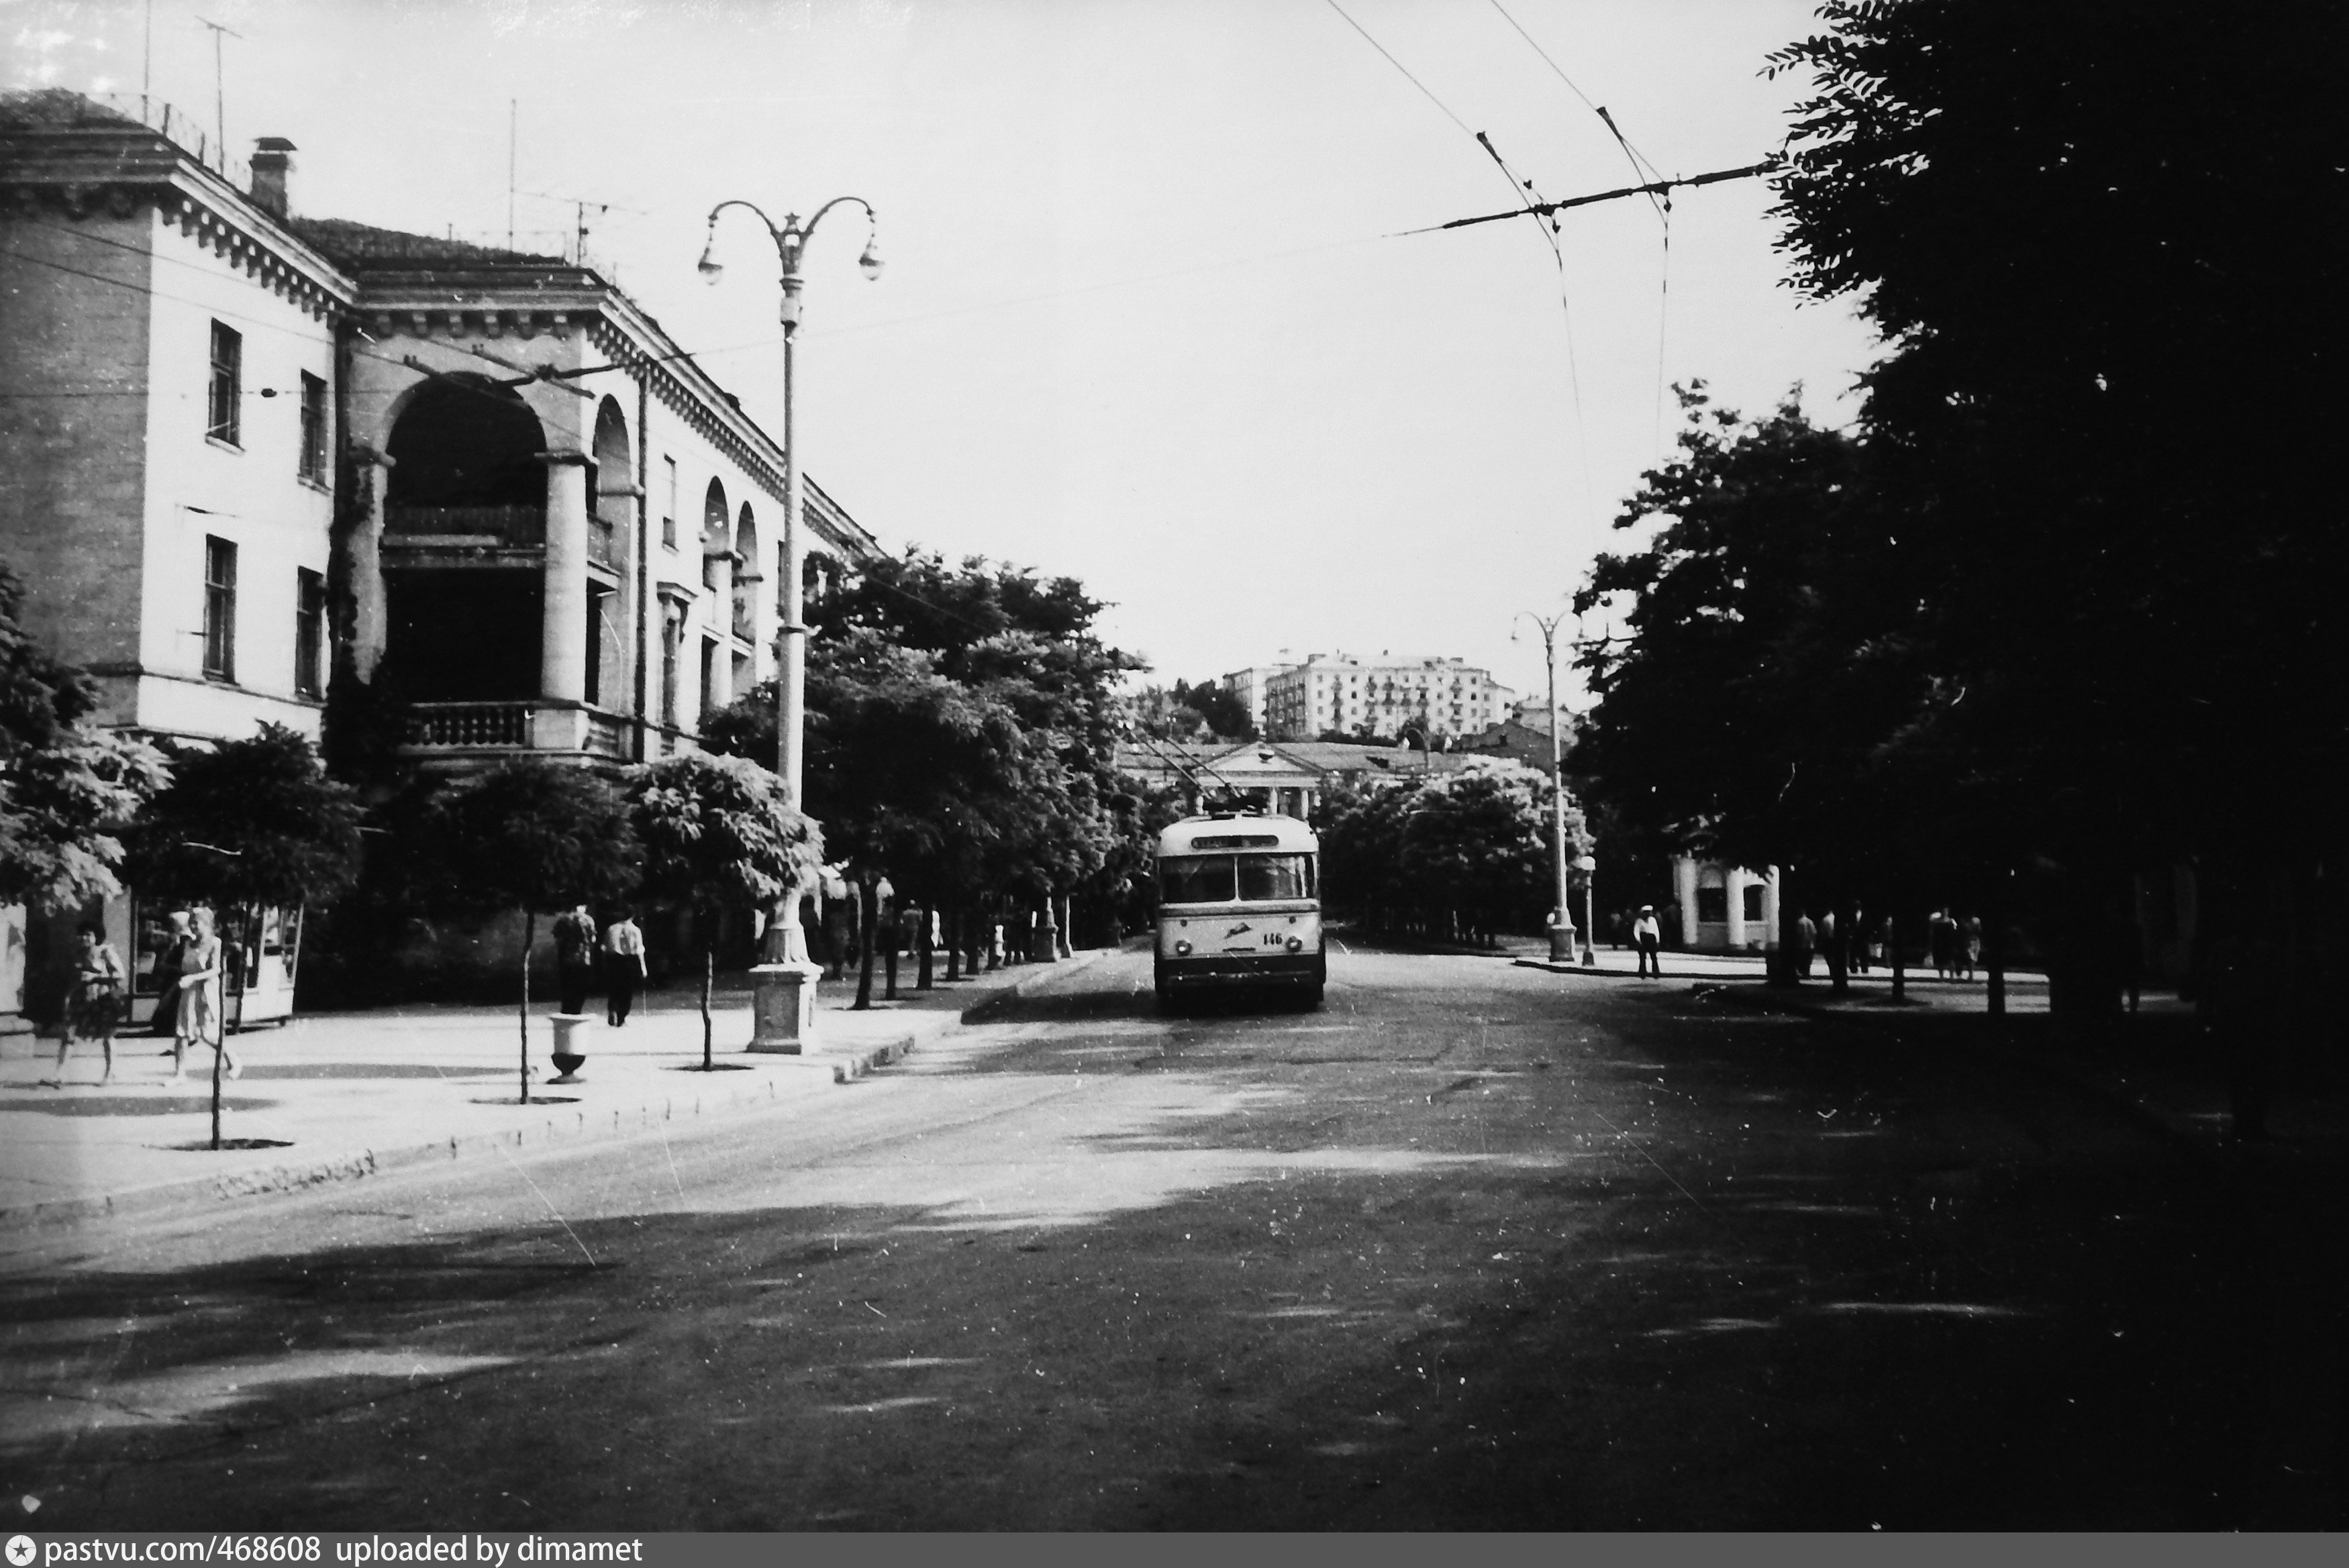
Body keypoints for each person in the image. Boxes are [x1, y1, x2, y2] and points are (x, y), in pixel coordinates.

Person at [170, 907, 234, 1082]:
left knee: (207, 1034)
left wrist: (194, 978)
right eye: (191, 922)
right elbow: (184, 967)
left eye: (196, 922)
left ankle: (232, 1060)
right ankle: (180, 1074)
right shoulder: (187, 944)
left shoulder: (215, 943)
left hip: (206, 992)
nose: (192, 925)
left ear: (207, 924)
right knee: (182, 1032)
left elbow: (216, 969)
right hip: (188, 992)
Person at [60, 921, 126, 1084]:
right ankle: (59, 1073)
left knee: (107, 1036)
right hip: (82, 998)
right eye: (82, 934)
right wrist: (68, 997)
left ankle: (110, 1073)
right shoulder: (79, 953)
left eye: (89, 934)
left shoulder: (105, 952)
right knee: (69, 1033)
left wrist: (95, 977)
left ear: (97, 936)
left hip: (103, 999)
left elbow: (120, 974)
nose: (85, 938)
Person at [147, 910, 189, 1040]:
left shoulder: (185, 941)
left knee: (173, 1002)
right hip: (170, 977)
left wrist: (168, 966)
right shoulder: (172, 941)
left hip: (177, 978)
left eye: (173, 924)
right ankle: (166, 1027)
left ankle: (170, 1027)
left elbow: (182, 961)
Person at [603, 910, 646, 1026]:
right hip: (629, 960)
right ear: (632, 917)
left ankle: (612, 1009)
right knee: (627, 991)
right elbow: (639, 949)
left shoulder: (612, 929)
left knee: (614, 988)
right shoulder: (635, 930)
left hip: (614, 960)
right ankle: (622, 1017)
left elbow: (605, 947)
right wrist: (643, 967)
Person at [553, 903, 597, 1016]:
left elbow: (557, 939)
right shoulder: (588, 920)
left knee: (566, 986)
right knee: (580, 987)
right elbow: (593, 939)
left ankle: (566, 1009)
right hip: (583, 959)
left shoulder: (563, 920)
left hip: (566, 959)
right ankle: (576, 1010)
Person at [1632, 904, 1663, 978]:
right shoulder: (1639, 921)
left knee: (1654, 957)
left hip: (1651, 938)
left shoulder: (1653, 920)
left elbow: (1656, 930)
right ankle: (1642, 972)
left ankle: (1656, 972)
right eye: (1647, 912)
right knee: (1643, 957)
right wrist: (1638, 940)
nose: (1648, 914)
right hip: (1644, 938)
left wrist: (1658, 940)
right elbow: (1636, 931)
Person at [1794, 910, 1817, 977]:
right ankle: (1807, 973)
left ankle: (1802, 972)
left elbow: (1798, 933)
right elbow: (1814, 932)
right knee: (1808, 960)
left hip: (1801, 944)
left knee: (1801, 959)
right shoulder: (1810, 922)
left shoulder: (1799, 922)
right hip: (1810, 944)